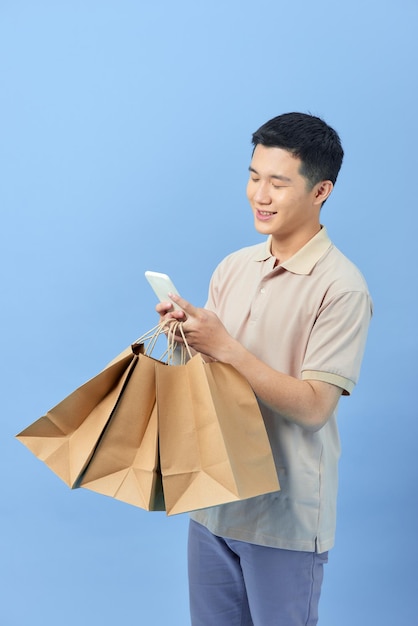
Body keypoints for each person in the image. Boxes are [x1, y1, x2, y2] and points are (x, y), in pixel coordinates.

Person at [157, 112, 372, 626]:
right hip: (213, 503)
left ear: (321, 191)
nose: (261, 194)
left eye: (278, 183)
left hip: (284, 518)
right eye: (254, 177)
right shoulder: (233, 266)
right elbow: (208, 383)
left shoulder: (342, 288)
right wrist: (186, 340)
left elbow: (315, 407)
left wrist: (225, 346)